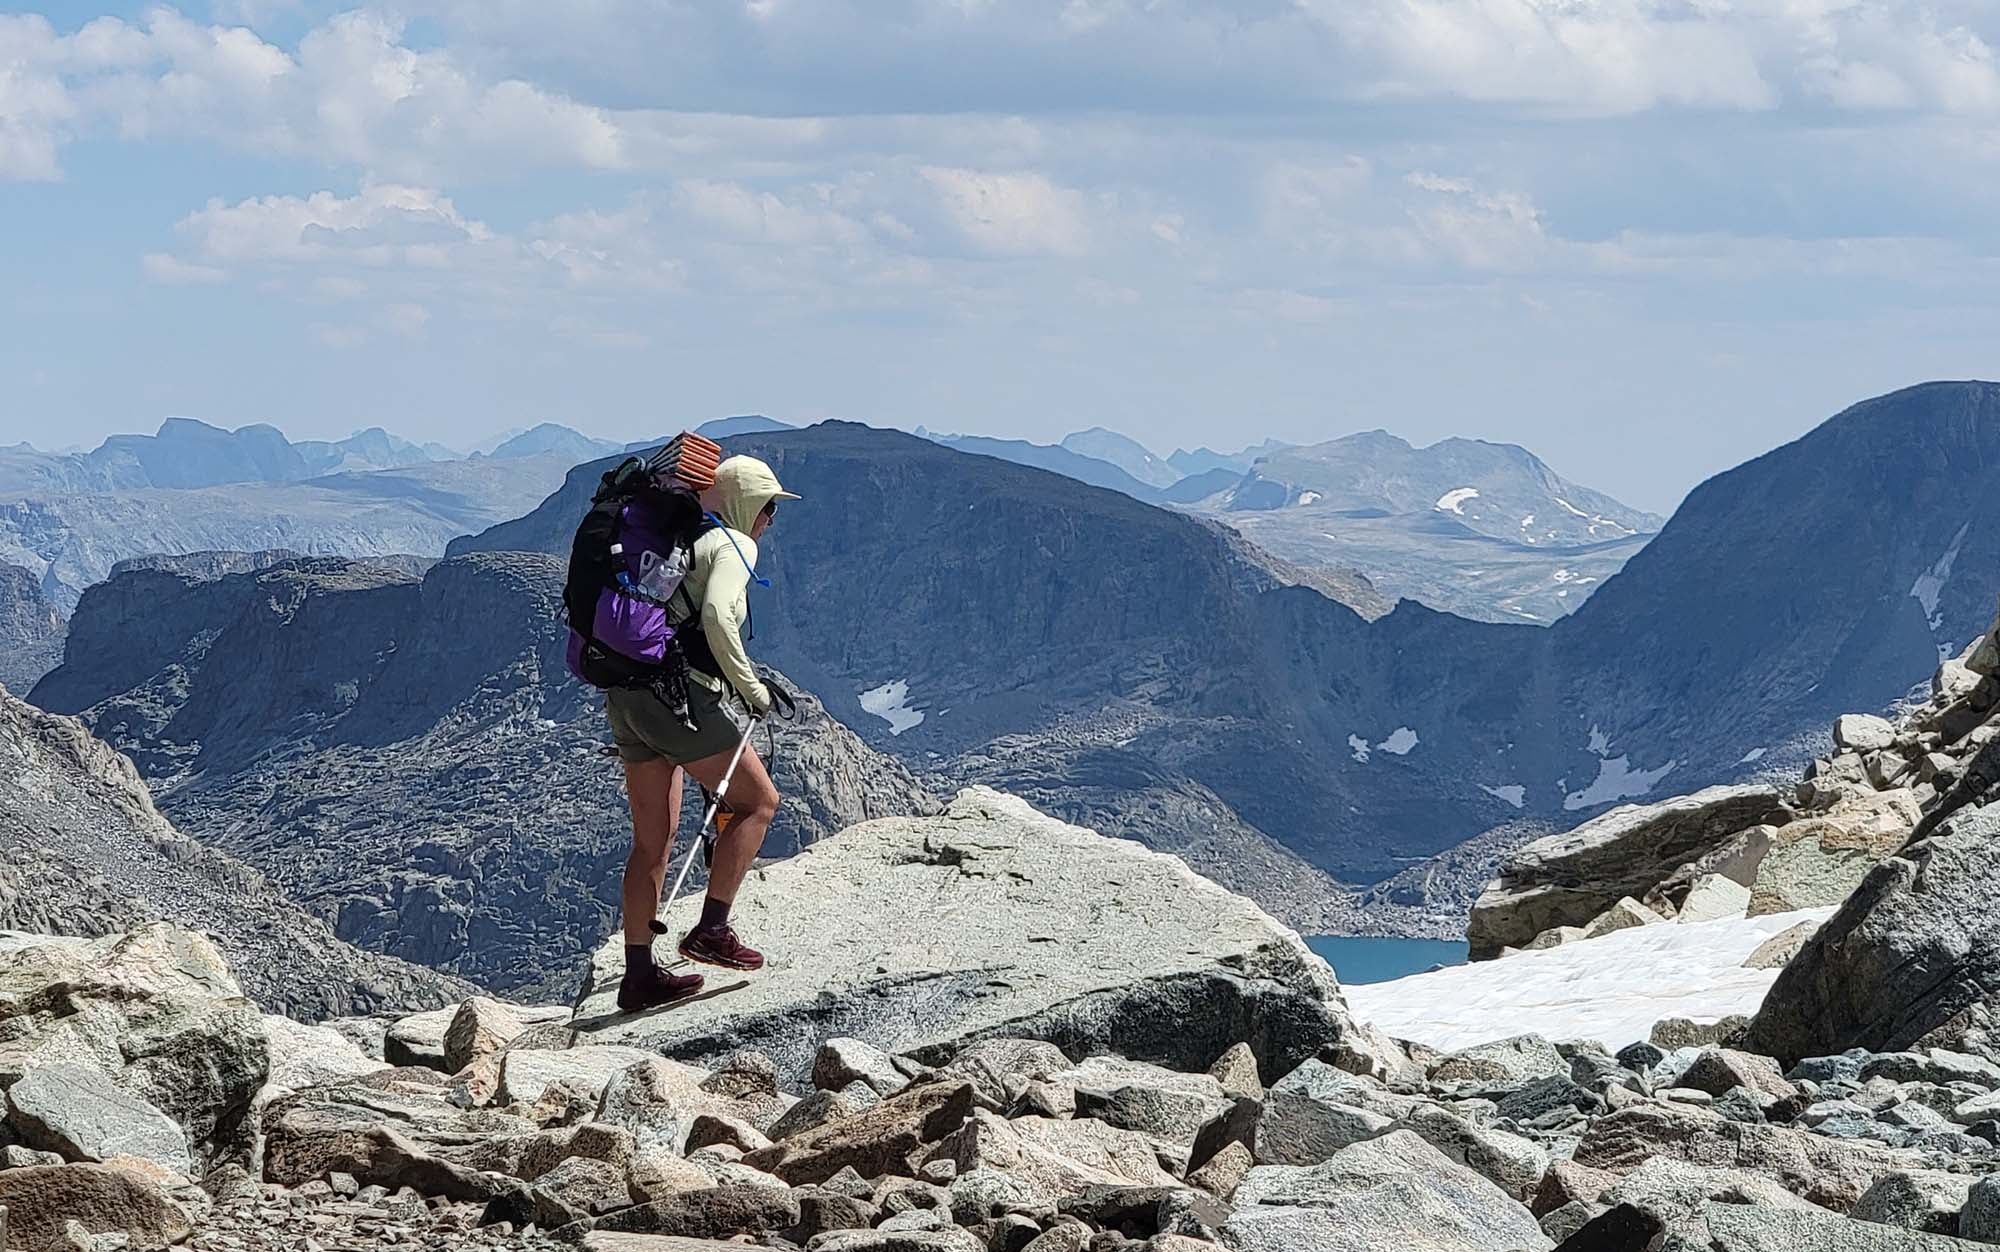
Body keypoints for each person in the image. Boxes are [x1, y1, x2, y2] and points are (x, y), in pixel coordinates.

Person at [607, 454, 800, 1013]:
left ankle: (639, 974)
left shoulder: (680, 540)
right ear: (745, 504)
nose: (769, 520)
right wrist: (752, 691)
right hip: (681, 699)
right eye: (767, 508)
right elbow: (716, 617)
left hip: (629, 696)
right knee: (759, 802)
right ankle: (712, 929)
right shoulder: (735, 546)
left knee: (653, 839)